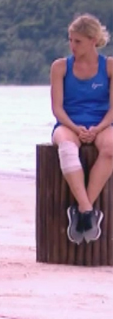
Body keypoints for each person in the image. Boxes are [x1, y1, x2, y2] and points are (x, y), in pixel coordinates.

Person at [50, 13, 113, 245]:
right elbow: (57, 109)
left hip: (101, 123)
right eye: (70, 40)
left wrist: (98, 128)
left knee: (111, 149)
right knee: (67, 147)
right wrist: (76, 128)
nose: (72, 46)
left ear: (93, 40)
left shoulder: (109, 66)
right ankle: (88, 210)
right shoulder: (60, 67)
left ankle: (80, 211)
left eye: (78, 41)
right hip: (69, 123)